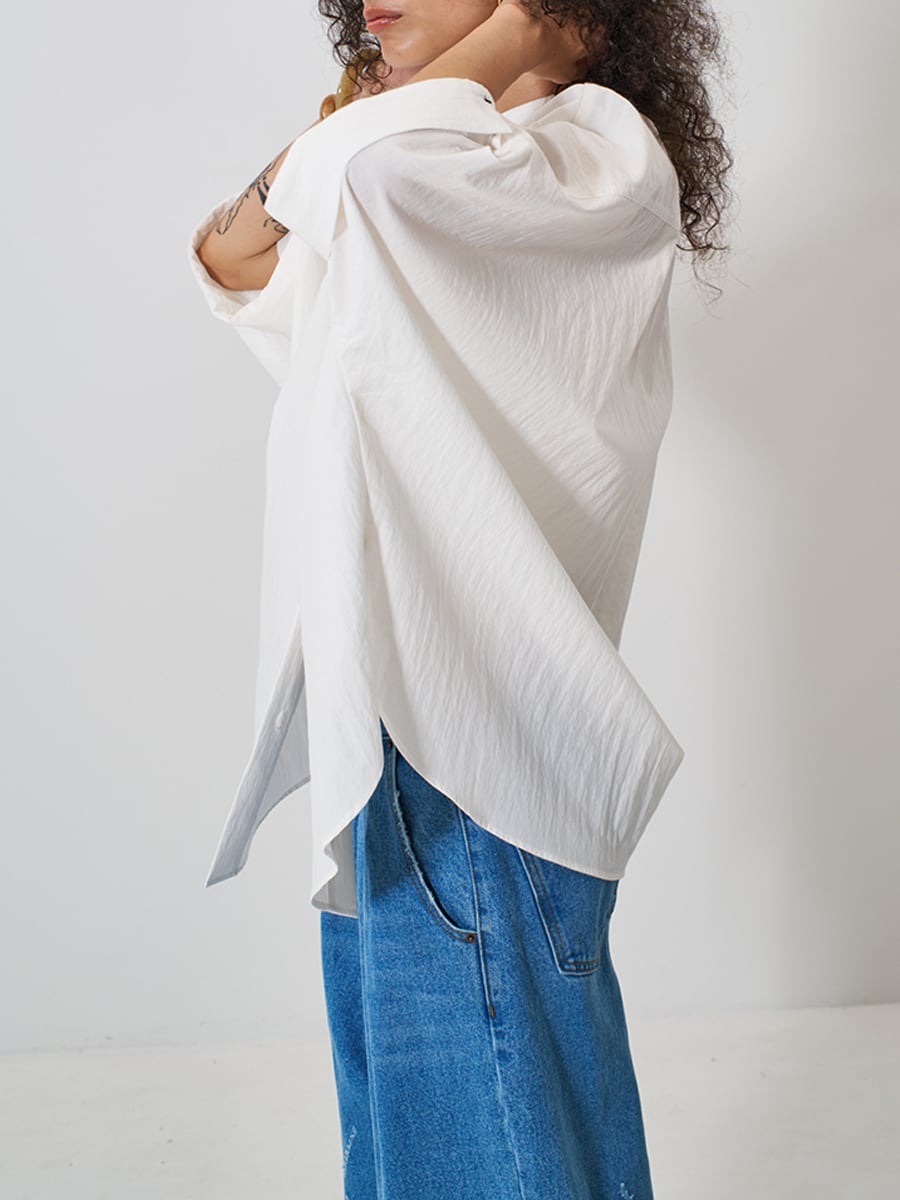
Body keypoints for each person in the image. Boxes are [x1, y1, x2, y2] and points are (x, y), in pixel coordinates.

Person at [188, 2, 734, 1196]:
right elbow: (230, 255)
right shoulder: (426, 162)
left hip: (479, 755)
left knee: (490, 1155)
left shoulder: (590, 155)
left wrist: (535, 34)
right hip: (391, 729)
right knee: (425, 1157)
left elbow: (361, 168)